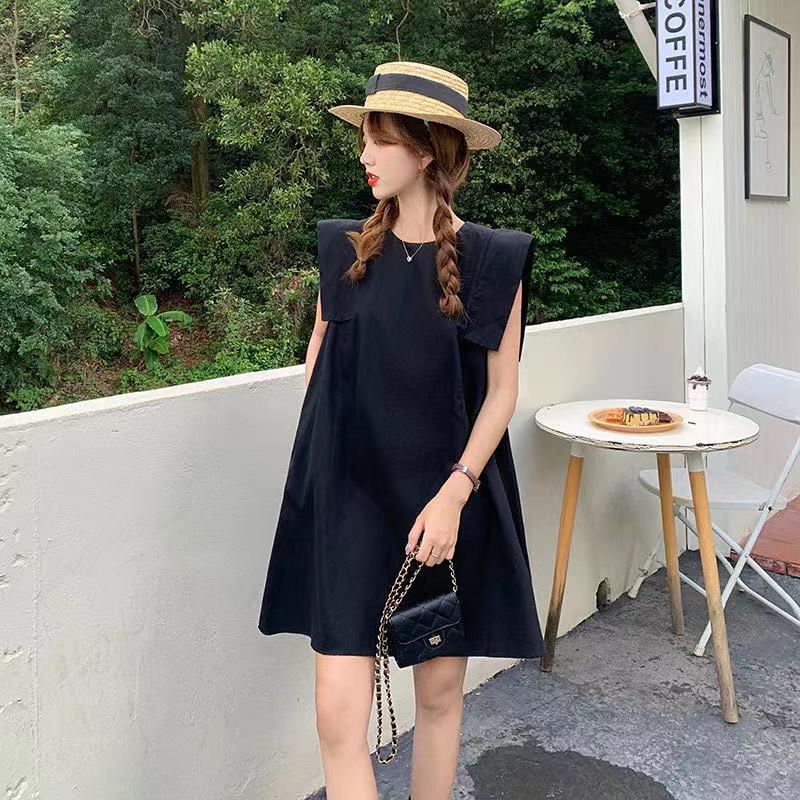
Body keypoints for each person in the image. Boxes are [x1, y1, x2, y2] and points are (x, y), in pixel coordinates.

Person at [257, 61, 546, 800]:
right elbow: (319, 365)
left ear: (424, 150)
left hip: (440, 508)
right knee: (335, 718)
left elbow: (503, 392)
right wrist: (327, 476)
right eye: (364, 138)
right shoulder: (343, 250)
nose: (363, 154)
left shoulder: (494, 260)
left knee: (440, 701)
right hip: (351, 503)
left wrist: (455, 493)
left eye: (378, 139)